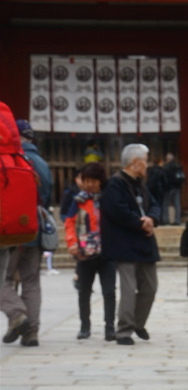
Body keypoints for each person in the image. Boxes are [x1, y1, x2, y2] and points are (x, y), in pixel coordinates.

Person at [100, 143, 159, 347]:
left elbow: (154, 205)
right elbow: (117, 210)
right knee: (128, 288)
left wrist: (151, 218)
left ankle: (138, 323)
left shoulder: (140, 183)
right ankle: (124, 329)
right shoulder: (115, 184)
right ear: (136, 163)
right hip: (125, 244)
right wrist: (140, 222)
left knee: (150, 287)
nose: (147, 165)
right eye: (145, 161)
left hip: (145, 242)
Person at [0, 120, 53, 348]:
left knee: (5, 279)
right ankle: (31, 333)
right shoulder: (39, 163)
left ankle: (17, 314)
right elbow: (48, 194)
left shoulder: (5, 159)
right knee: (31, 281)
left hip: (6, 231)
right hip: (32, 229)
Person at [64, 162, 115, 341]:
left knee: (109, 291)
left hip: (107, 251)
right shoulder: (78, 201)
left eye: (94, 181)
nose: (91, 185)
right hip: (85, 252)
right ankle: (84, 326)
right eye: (87, 181)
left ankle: (110, 327)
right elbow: (70, 222)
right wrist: (72, 242)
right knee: (84, 291)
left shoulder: (109, 198)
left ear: (101, 181)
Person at [159, 152, 186, 225]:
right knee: (177, 204)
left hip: (168, 188)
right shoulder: (178, 166)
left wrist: (165, 186)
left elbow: (164, 178)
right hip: (177, 187)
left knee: (166, 204)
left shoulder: (166, 167)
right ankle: (177, 220)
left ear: (167, 159)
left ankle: (166, 219)